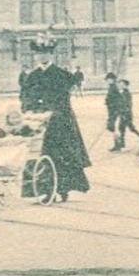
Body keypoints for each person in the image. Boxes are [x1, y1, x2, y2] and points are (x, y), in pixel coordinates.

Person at [21, 38, 91, 201]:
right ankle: (42, 190)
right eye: (39, 54)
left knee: (61, 154)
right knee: (36, 154)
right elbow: (25, 97)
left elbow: (64, 99)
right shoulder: (31, 76)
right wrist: (29, 110)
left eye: (45, 53)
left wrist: (53, 112)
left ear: (51, 55)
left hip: (60, 121)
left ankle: (62, 188)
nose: (42, 57)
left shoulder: (61, 74)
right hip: (37, 121)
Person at [115, 78, 139, 148]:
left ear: (126, 85)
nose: (120, 86)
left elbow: (128, 104)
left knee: (131, 128)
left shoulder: (127, 94)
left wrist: (125, 113)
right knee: (121, 128)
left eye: (122, 84)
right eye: (120, 84)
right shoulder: (123, 93)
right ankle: (122, 143)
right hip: (123, 114)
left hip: (126, 114)